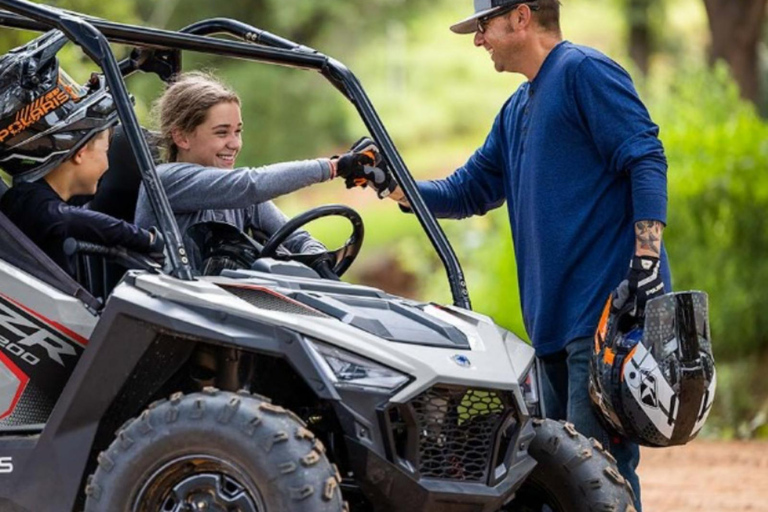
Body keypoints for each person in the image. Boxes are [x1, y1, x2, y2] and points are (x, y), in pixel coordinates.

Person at [362, 1, 670, 509]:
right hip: (550, 327)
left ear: (521, 16)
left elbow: (645, 157)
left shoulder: (584, 72)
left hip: (604, 315)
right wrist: (394, 185)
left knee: (594, 473)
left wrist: (646, 263)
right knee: (558, 473)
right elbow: (467, 190)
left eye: (483, 26)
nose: (478, 40)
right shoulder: (517, 108)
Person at [134, 71, 376, 269]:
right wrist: (334, 167)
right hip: (172, 312)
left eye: (237, 131)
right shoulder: (166, 182)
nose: (235, 143)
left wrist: (316, 259)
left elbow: (296, 237)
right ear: (182, 137)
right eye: (221, 132)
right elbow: (252, 185)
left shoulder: (239, 194)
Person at [0, 31, 164, 278]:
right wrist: (147, 239)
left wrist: (132, 63)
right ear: (79, 153)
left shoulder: (32, 196)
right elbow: (73, 220)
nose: (108, 164)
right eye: (106, 150)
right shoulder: (31, 204)